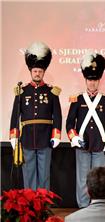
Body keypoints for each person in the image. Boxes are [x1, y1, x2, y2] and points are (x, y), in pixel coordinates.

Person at [9, 41, 62, 190]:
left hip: (45, 139)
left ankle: (43, 205)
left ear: (43, 72)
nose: (37, 73)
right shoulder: (22, 91)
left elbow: (57, 115)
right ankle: (30, 205)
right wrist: (14, 135)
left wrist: (56, 135)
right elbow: (15, 115)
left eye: (40, 71)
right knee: (29, 175)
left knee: (44, 175)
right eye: (35, 71)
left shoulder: (52, 92)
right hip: (26, 138)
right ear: (31, 72)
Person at [66, 52, 105, 208]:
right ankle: (83, 206)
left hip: (100, 145)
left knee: (100, 179)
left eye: (95, 80)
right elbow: (69, 123)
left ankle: (98, 207)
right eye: (89, 80)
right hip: (82, 145)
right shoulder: (77, 100)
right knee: (82, 179)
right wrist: (73, 138)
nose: (92, 83)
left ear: (99, 80)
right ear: (85, 80)